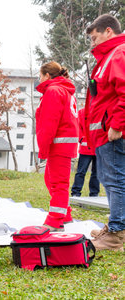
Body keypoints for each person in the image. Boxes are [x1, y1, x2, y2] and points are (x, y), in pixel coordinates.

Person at [84, 14, 124, 251]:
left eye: (94, 37)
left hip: (112, 133)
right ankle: (115, 227)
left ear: (108, 31)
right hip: (105, 132)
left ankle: (116, 235)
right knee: (112, 182)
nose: (92, 43)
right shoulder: (110, 56)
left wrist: (117, 126)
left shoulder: (118, 54)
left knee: (115, 182)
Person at [36, 61, 79, 232]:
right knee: (51, 180)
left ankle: (55, 220)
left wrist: (43, 147)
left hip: (58, 143)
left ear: (47, 75)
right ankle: (65, 214)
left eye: (40, 76)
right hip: (63, 142)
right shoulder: (64, 90)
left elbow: (49, 122)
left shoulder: (53, 91)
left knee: (58, 183)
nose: (39, 80)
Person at [70, 107, 100, 197]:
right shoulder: (82, 112)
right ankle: (76, 192)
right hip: (86, 148)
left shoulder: (100, 111)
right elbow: (77, 126)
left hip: (98, 147)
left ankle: (94, 194)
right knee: (81, 172)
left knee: (96, 173)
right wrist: (82, 138)